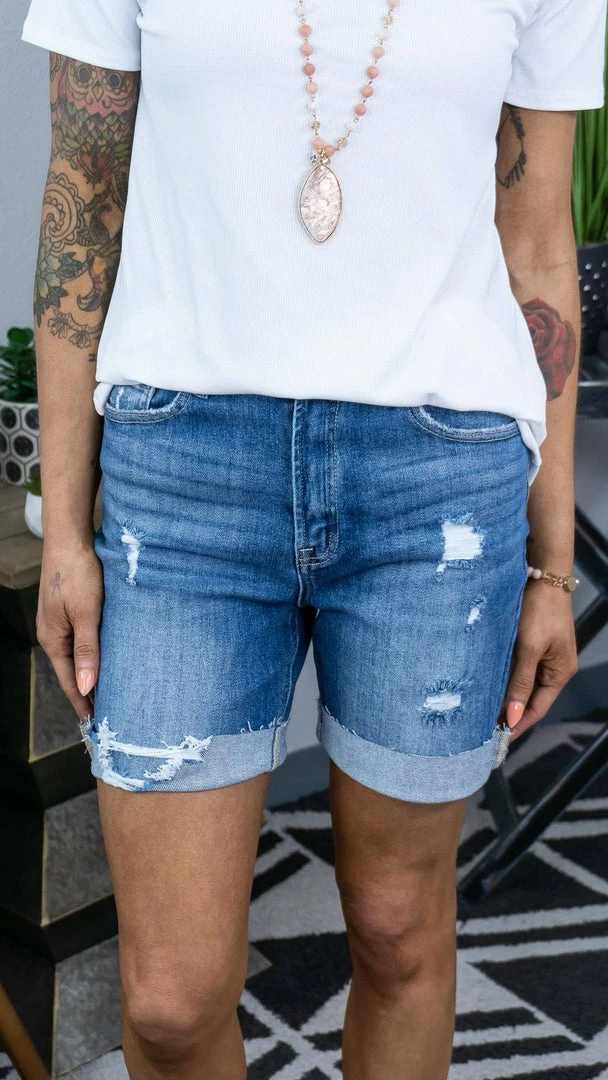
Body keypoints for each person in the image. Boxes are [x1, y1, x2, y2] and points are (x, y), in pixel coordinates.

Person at [20, 0, 605, 1075]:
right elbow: (81, 207)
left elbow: (534, 243)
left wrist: (551, 567)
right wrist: (64, 532)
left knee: (398, 929)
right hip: (183, 476)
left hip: (435, 485)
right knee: (170, 999)